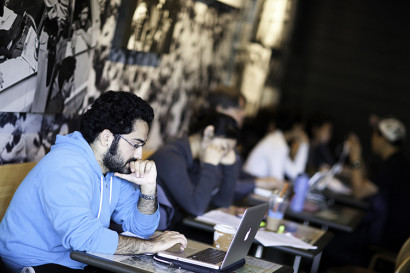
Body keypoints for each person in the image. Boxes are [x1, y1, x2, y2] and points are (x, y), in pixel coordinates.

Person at [0, 91, 187, 273]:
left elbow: (141, 229)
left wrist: (148, 188)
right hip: (35, 263)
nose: (138, 155)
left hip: (78, 260)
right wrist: (151, 246)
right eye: (135, 145)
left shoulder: (113, 170)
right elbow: (83, 238)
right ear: (106, 137)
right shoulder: (66, 166)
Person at [323, 116, 410, 268]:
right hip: (386, 231)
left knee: (327, 244)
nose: (372, 138)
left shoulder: (393, 167)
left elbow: (359, 191)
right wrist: (358, 158)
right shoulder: (396, 162)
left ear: (383, 139)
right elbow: (365, 180)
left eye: (375, 134)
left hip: (383, 238)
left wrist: (355, 157)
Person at [149, 112, 240, 230]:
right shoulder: (170, 156)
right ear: (208, 133)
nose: (222, 155)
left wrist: (230, 167)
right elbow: (197, 207)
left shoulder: (196, 159)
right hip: (158, 231)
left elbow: (222, 203)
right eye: (223, 148)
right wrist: (210, 165)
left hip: (176, 228)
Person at [206, 86, 285, 199]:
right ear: (220, 109)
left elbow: (237, 174)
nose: (243, 114)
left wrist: (262, 181)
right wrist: (257, 183)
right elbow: (219, 186)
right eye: (239, 109)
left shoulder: (229, 137)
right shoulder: (211, 138)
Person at [243, 105, 309, 182]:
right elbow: (277, 179)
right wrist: (305, 145)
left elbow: (295, 173)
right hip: (250, 187)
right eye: (301, 127)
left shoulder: (276, 139)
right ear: (296, 126)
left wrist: (304, 145)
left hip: (251, 184)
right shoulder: (277, 144)